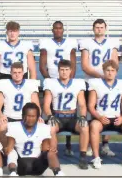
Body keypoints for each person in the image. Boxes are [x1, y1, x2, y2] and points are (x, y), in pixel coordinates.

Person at [79, 18, 120, 158]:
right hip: (91, 82)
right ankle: (91, 144)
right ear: (93, 29)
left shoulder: (112, 43)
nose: (99, 29)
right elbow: (84, 65)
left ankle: (105, 145)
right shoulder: (86, 43)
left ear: (105, 28)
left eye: (101, 27)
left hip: (108, 82)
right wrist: (101, 76)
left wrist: (107, 76)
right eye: (97, 27)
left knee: (109, 110)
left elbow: (115, 63)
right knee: (92, 114)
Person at [87, 60, 122, 169]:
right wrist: (99, 117)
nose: (110, 73)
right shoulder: (96, 84)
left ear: (116, 72)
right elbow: (91, 106)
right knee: (94, 125)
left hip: (116, 118)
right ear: (104, 72)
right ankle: (96, 157)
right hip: (101, 117)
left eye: (112, 71)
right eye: (107, 70)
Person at [39, 21, 78, 154]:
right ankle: (49, 145)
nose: (58, 30)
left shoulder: (70, 43)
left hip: (67, 79)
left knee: (70, 108)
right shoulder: (46, 43)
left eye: (60, 28)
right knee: (51, 111)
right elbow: (42, 64)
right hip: (52, 79)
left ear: (63, 29)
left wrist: (69, 80)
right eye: (55, 28)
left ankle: (68, 145)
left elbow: (73, 63)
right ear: (52, 30)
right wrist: (49, 80)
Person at [42, 60, 90, 169]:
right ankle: (54, 156)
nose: (64, 72)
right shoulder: (51, 83)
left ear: (71, 71)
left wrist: (82, 116)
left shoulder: (78, 84)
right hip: (57, 116)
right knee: (50, 128)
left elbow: (82, 104)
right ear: (58, 71)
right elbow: (46, 104)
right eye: (62, 70)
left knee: (85, 126)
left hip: (72, 117)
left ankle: (83, 157)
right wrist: (50, 115)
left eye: (66, 70)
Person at [5, 103, 64, 176]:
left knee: (50, 152)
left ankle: (58, 173)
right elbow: (9, 149)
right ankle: (13, 172)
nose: (30, 119)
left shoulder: (44, 128)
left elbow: (45, 149)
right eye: (28, 116)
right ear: (23, 116)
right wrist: (6, 150)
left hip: (37, 166)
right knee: (12, 151)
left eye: (33, 116)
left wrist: (50, 151)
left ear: (38, 117)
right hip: (20, 166)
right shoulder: (14, 126)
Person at [0, 62, 41, 146]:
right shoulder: (3, 84)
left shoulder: (31, 84)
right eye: (14, 72)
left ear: (23, 73)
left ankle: (36, 154)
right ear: (10, 73)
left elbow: (37, 106)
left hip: (26, 118)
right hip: (8, 117)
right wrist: (0, 115)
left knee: (41, 125)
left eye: (19, 72)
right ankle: (4, 152)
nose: (17, 75)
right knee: (2, 127)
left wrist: (38, 116)